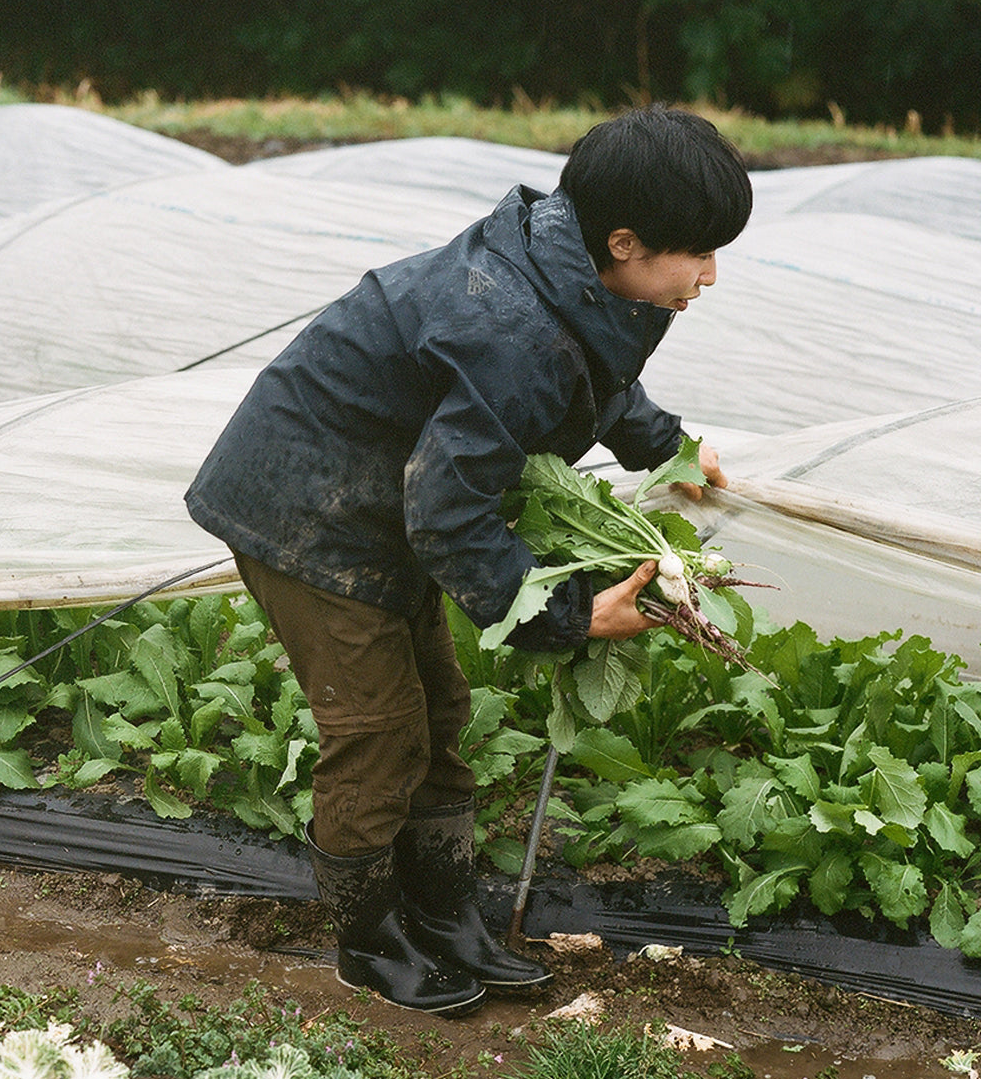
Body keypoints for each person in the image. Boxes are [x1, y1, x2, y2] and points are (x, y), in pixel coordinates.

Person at [185, 104, 753, 1017]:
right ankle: (368, 942)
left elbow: (596, 374)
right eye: (699, 255)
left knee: (442, 708)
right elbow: (447, 513)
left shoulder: (579, 273)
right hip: (308, 506)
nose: (711, 275)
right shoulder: (511, 327)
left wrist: (669, 446)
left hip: (383, 493)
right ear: (624, 241)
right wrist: (570, 618)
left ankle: (442, 915)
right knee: (378, 730)